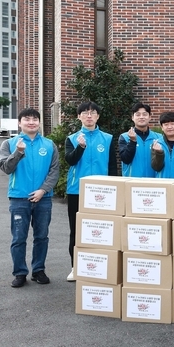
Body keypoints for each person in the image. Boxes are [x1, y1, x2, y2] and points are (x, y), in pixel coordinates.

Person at [0, 108, 60, 288]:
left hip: (44, 198)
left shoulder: (49, 145)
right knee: (19, 238)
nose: (31, 122)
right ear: (20, 123)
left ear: (39, 122)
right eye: (27, 119)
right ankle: (19, 273)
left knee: (41, 236)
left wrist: (43, 190)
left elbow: (54, 171)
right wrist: (18, 152)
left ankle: (38, 270)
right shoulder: (9, 144)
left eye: (34, 119)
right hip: (19, 198)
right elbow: (6, 168)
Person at [65, 101, 118, 281]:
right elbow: (70, 161)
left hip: (102, 192)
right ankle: (75, 267)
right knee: (76, 230)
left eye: (93, 112)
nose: (89, 116)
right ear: (78, 116)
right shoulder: (72, 138)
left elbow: (112, 166)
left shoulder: (108, 138)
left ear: (98, 116)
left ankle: (101, 267)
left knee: (102, 231)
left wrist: (113, 188)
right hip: (77, 190)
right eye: (85, 113)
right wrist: (80, 147)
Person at [118, 102, 160, 178]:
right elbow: (125, 159)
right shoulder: (125, 137)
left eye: (144, 114)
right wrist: (132, 141)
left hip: (154, 181)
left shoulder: (158, 138)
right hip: (132, 181)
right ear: (132, 117)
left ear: (150, 117)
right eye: (138, 115)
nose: (141, 117)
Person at [150, 111, 174, 179]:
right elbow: (156, 168)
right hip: (162, 183)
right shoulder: (157, 144)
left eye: (172, 124)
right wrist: (159, 153)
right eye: (166, 124)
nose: (169, 127)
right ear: (162, 127)